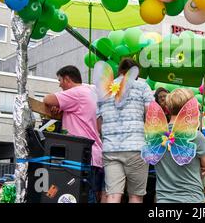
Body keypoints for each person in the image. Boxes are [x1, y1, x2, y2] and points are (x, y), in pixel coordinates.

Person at [43, 65, 104, 203]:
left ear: (67, 79)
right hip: (94, 155)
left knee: (80, 196)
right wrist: (62, 108)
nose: (59, 85)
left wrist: (57, 104)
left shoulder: (77, 92)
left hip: (80, 155)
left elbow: (47, 99)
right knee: (88, 195)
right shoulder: (91, 91)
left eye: (60, 81)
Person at [97, 58, 154, 203]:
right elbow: (151, 115)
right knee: (135, 196)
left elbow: (99, 122)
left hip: (110, 149)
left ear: (120, 71)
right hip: (136, 148)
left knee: (113, 195)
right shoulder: (142, 87)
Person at [151, 88, 205, 203]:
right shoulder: (196, 136)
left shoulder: (156, 136)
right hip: (192, 199)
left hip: (164, 200)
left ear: (168, 108)